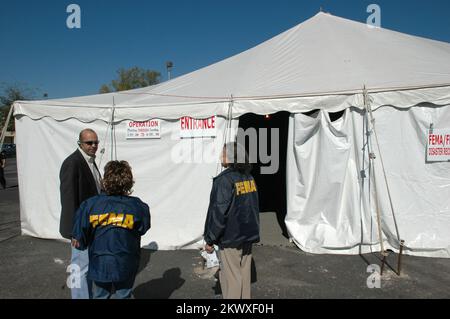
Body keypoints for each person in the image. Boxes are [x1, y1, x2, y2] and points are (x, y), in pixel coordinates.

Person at [72, 160, 151, 299]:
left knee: (100, 296)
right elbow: (143, 228)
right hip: (126, 260)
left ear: (105, 180)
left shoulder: (90, 205)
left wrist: (82, 240)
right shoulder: (138, 206)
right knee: (124, 295)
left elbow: (80, 236)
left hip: (100, 261)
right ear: (129, 181)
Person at [203, 142, 260, 299]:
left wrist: (210, 239)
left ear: (230, 158)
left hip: (230, 237)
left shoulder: (224, 181)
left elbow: (219, 212)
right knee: (244, 274)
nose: (221, 156)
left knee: (231, 277)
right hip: (247, 235)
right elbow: (253, 207)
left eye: (223, 153)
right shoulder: (249, 178)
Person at [59, 128, 102, 299]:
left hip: (92, 225)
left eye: (96, 142)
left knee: (87, 266)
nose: (93, 146)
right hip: (80, 228)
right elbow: (68, 200)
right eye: (89, 143)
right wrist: (74, 232)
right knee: (79, 268)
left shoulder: (89, 160)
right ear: (80, 143)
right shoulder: (72, 163)